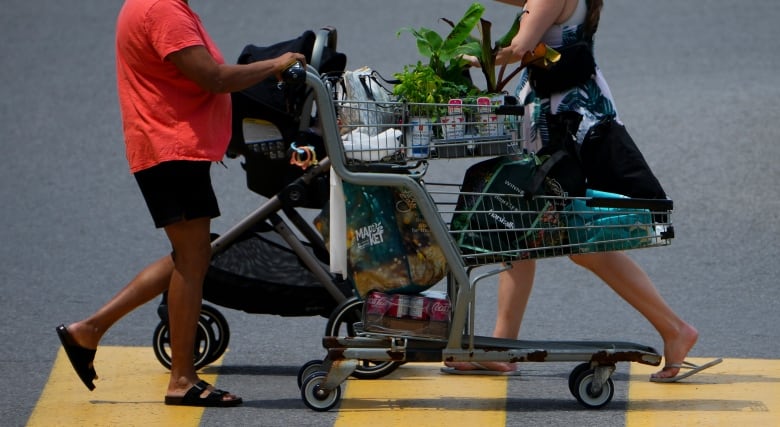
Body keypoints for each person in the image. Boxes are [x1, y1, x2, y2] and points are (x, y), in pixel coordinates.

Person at [55, 0, 305, 406]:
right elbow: (215, 78)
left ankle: (90, 330)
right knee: (192, 261)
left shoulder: (154, 5)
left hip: (167, 146)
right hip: (170, 149)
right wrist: (274, 65)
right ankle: (182, 380)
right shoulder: (162, 10)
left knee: (192, 254)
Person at [443, 0, 704, 382]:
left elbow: (518, 50)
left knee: (577, 241)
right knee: (525, 230)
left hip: (563, 124)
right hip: (567, 113)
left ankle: (675, 328)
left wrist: (458, 60)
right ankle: (501, 346)